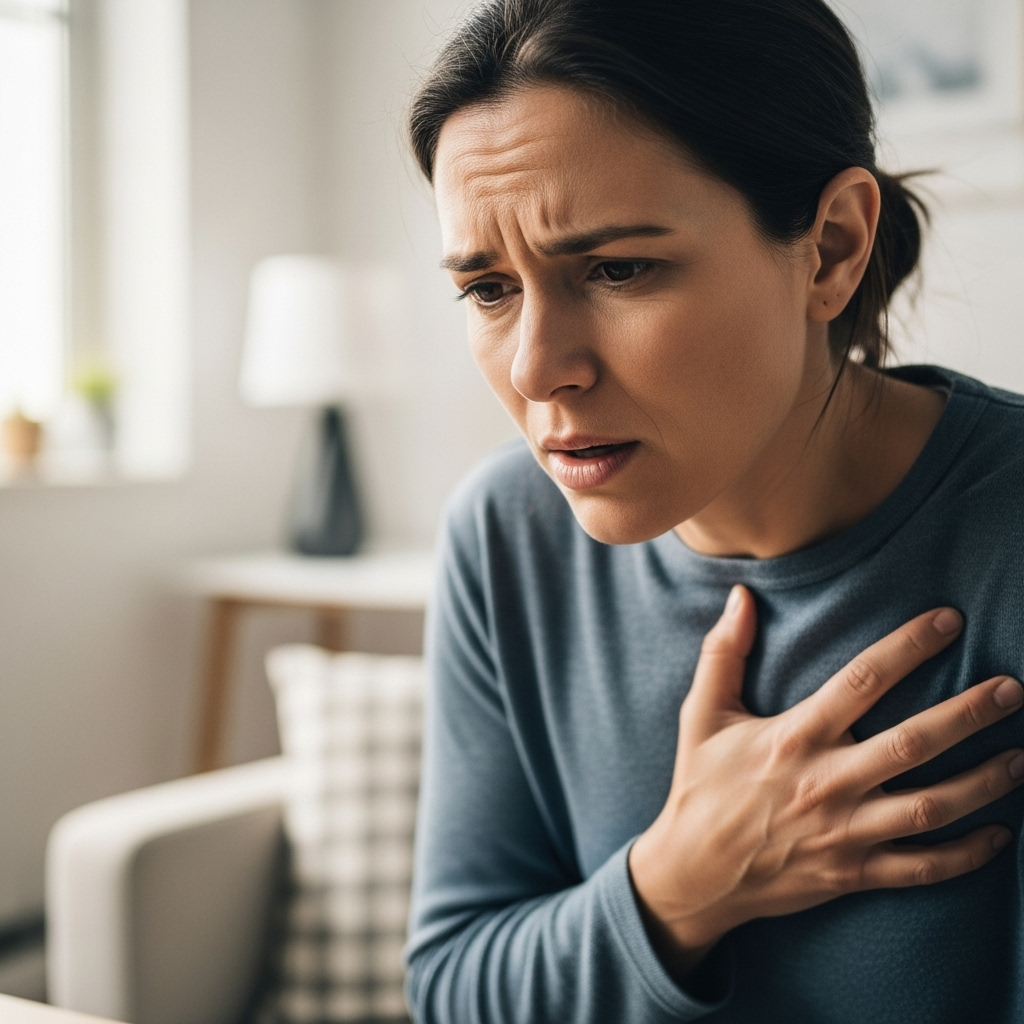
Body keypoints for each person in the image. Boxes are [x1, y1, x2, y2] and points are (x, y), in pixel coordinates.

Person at [402, 2, 1024, 1021]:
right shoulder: (504, 534)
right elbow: (454, 991)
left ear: (830, 247)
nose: (536, 369)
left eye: (616, 269)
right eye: (487, 288)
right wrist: (678, 886)